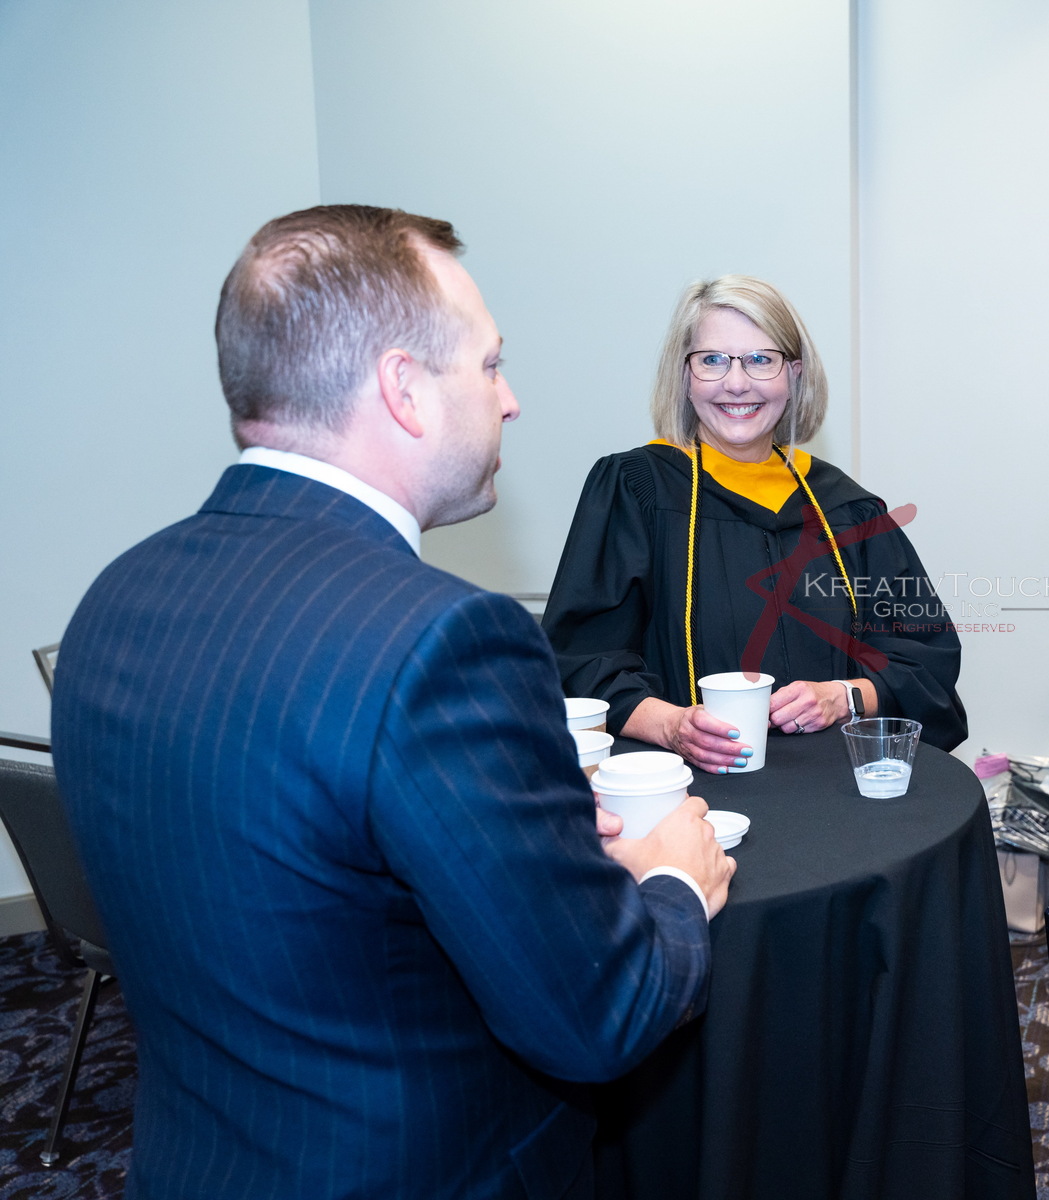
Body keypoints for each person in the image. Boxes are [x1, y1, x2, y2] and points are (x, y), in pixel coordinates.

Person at [50, 205, 735, 1200]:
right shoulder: (445, 639)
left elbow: (289, 865)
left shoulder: (116, 596)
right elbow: (600, 1015)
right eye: (490, 365)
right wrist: (673, 881)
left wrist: (524, 831)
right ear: (404, 388)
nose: (510, 402)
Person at [542, 276, 965, 772]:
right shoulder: (637, 490)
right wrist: (673, 726)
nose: (737, 383)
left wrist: (844, 696)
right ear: (684, 376)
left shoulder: (846, 508)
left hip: (839, 794)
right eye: (712, 360)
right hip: (686, 794)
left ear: (795, 375)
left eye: (761, 359)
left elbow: (925, 662)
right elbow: (580, 662)